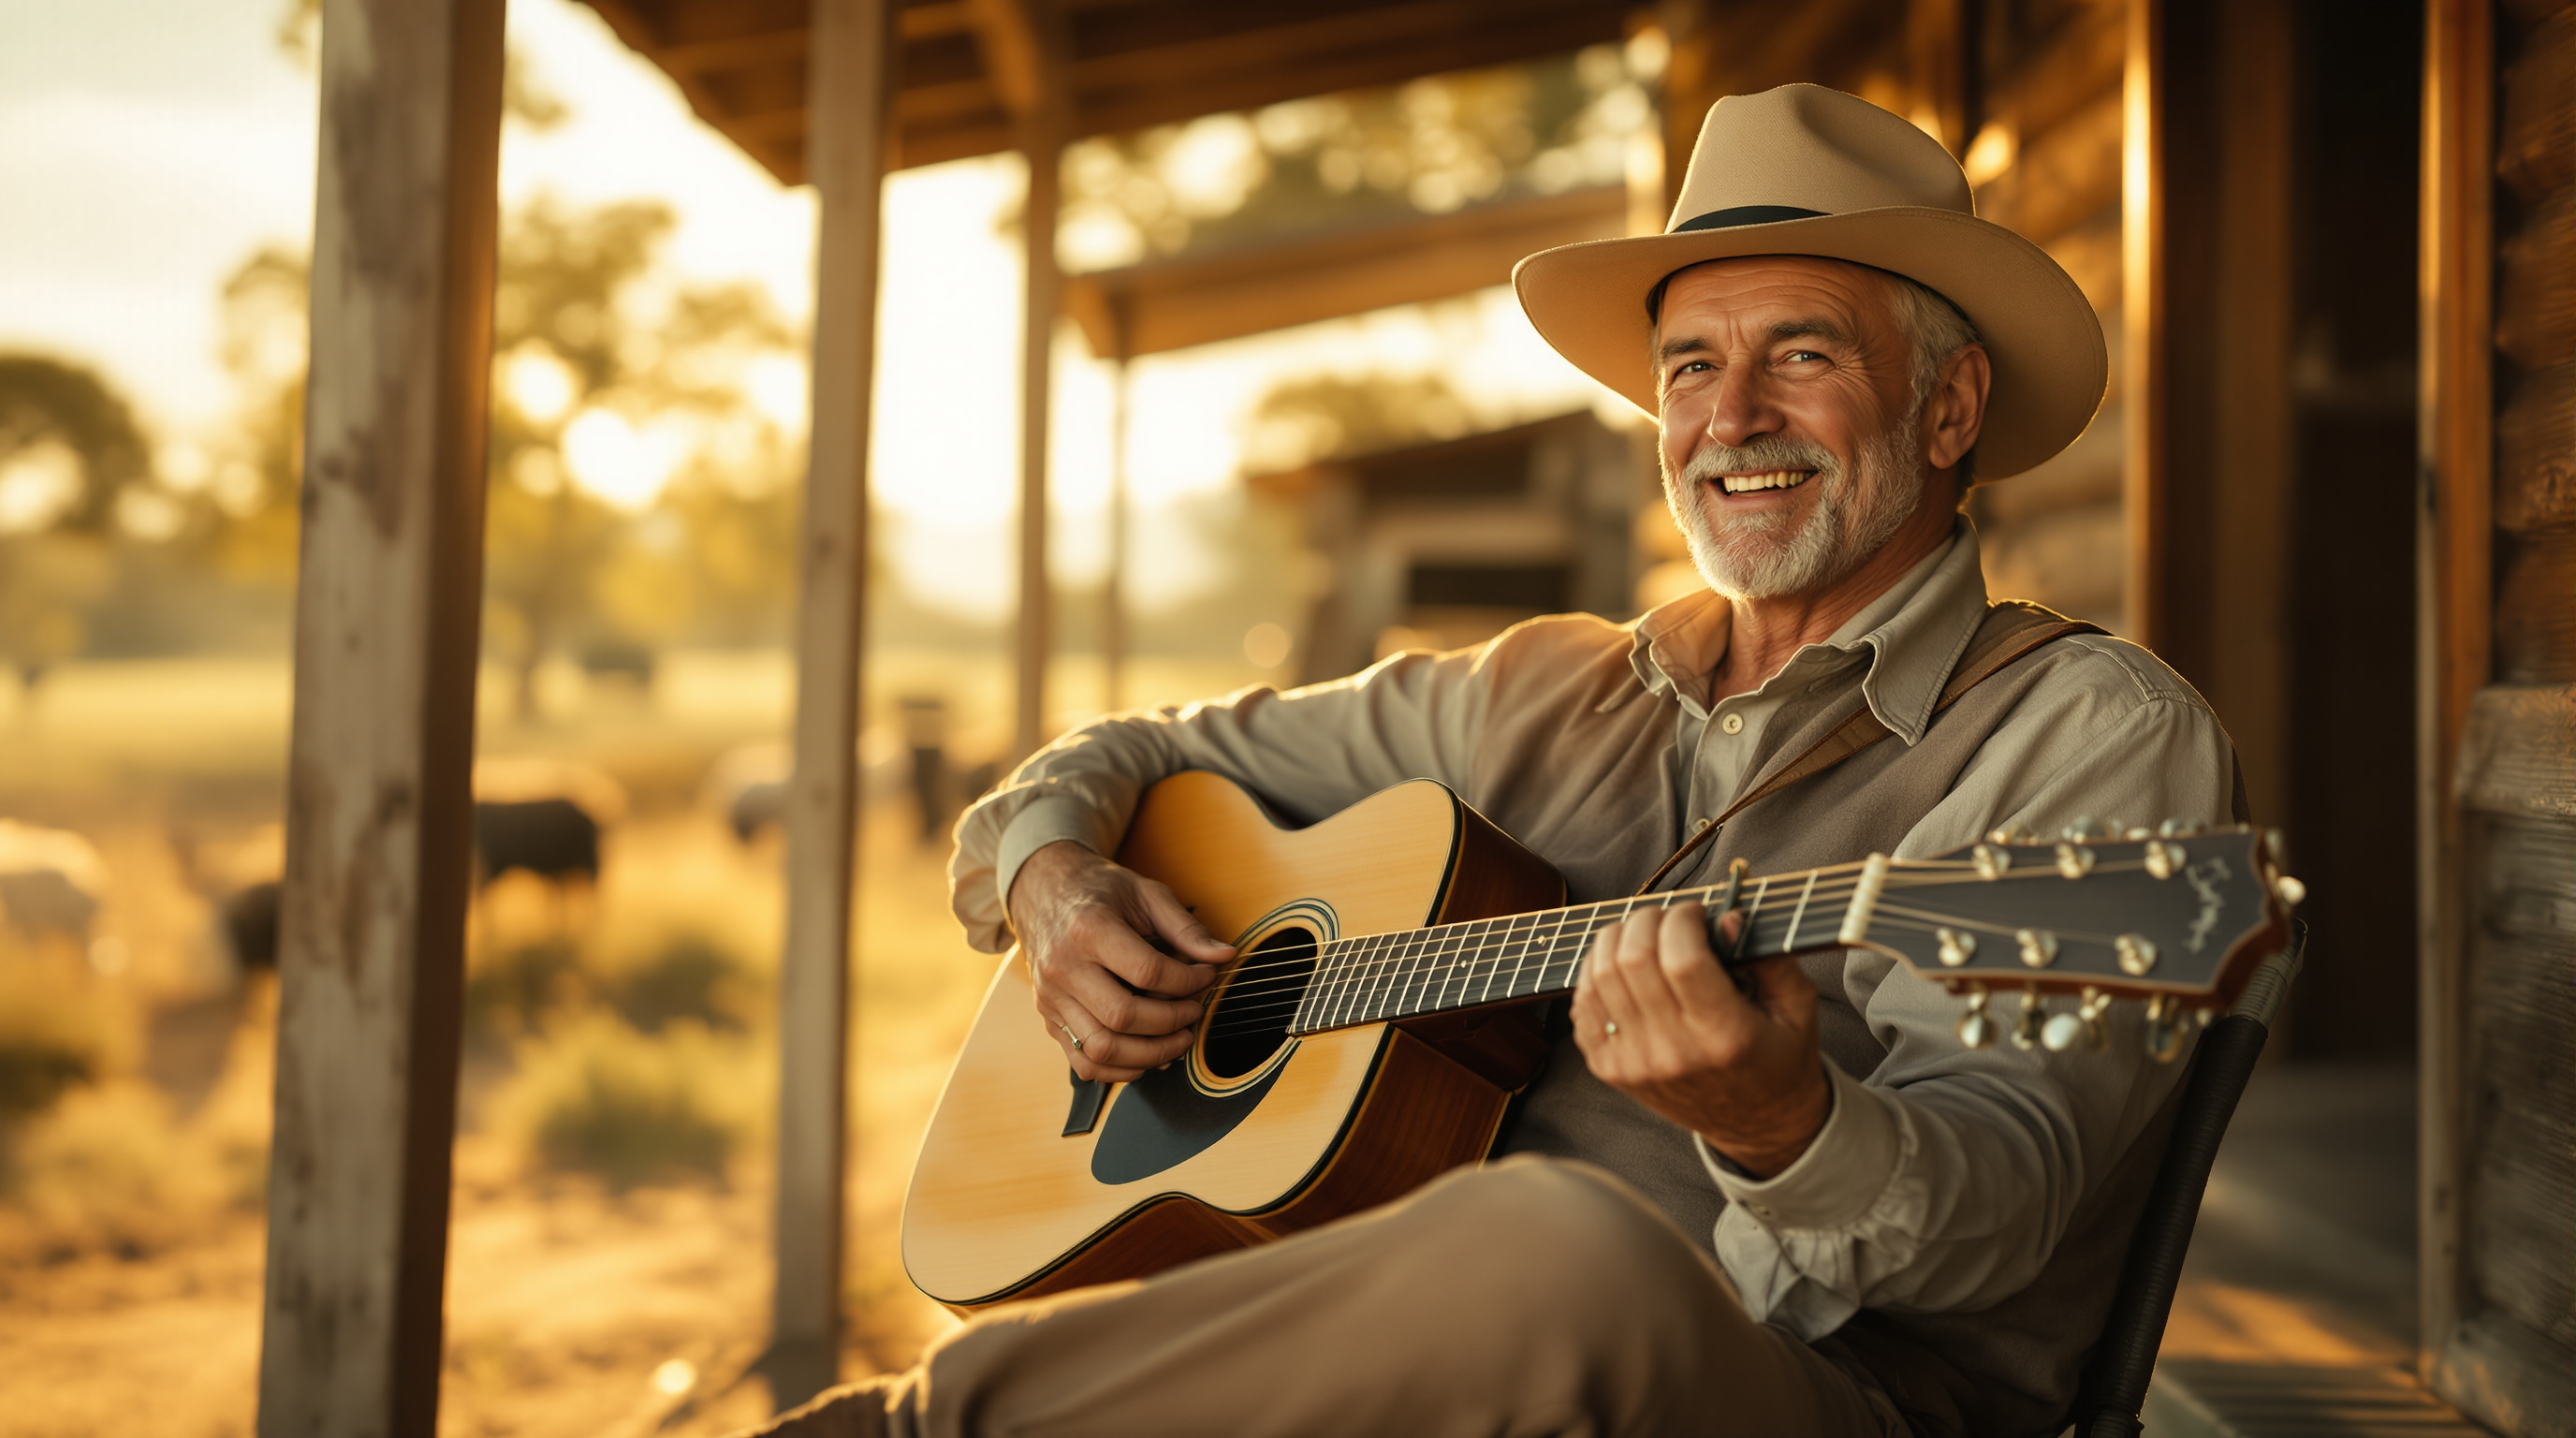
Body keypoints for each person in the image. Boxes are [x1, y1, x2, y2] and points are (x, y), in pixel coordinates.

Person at [750, 84, 2238, 1438]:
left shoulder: (2090, 731)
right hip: (1418, 1368)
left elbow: (2011, 1198)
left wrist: (1783, 1121)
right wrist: (1057, 881)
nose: (1730, 420)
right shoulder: (1537, 687)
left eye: (1802, 353)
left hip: (1843, 1399)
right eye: (1690, 367)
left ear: (1952, 406)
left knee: (1575, 1243)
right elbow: (1132, 752)